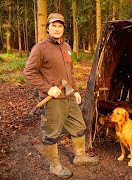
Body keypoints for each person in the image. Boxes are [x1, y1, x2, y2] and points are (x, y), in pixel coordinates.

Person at [23, 13, 99, 178]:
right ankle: (55, 166)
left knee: (79, 127)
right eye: (53, 26)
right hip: (52, 100)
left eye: (60, 26)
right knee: (51, 133)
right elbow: (28, 72)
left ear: (64, 28)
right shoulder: (40, 48)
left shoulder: (66, 47)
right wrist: (47, 88)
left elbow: (70, 72)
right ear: (48, 28)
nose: (57, 29)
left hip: (69, 95)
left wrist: (76, 90)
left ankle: (80, 156)